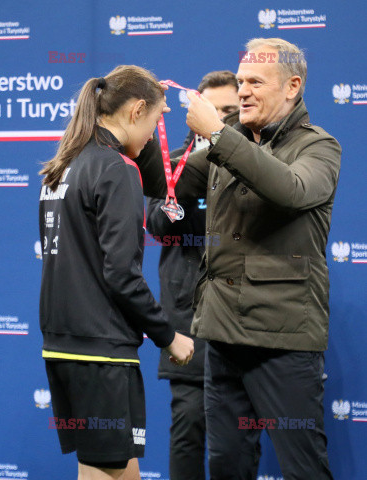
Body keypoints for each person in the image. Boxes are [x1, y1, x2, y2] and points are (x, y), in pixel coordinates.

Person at [136, 38, 341, 479]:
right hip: (221, 337)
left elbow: (289, 190)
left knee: (304, 468)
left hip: (282, 342)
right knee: (227, 465)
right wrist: (143, 115)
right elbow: (161, 185)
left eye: (254, 82)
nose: (243, 90)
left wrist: (217, 134)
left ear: (292, 86)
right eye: (241, 80)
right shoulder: (220, 149)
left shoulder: (319, 147)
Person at [38, 65, 194, 480]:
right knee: (105, 471)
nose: (154, 135)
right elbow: (122, 275)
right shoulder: (116, 168)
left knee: (111, 470)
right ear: (136, 110)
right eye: (157, 120)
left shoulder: (65, 165)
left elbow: (159, 183)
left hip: (63, 345)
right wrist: (169, 336)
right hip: (101, 351)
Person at [146, 71, 241, 480]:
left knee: (237, 435)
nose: (222, 119)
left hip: (241, 315)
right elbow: (158, 225)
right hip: (188, 316)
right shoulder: (171, 163)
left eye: (231, 112)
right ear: (194, 111)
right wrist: (183, 188)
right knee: (188, 429)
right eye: (215, 110)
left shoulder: (254, 162)